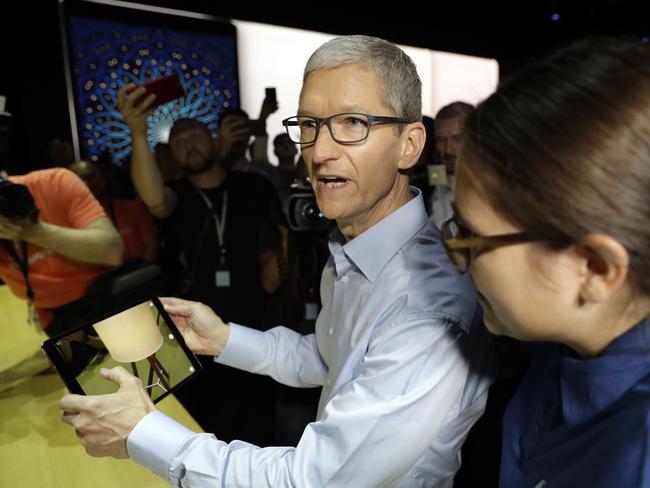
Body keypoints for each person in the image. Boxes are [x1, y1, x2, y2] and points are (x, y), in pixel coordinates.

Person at [60, 35, 493, 487]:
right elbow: (326, 360)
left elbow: (310, 480)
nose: (320, 151)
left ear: (409, 144)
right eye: (309, 125)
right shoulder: (354, 250)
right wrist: (223, 338)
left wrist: (141, 432)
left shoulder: (425, 311)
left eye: (351, 123)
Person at [440, 37, 650, 487]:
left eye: (473, 236)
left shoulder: (634, 459)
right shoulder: (562, 349)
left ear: (593, 268)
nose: (459, 259)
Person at [110, 90, 283, 444]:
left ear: (214, 141)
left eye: (195, 135)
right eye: (178, 142)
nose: (188, 144)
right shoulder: (175, 195)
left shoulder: (253, 186)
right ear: (171, 156)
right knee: (205, 428)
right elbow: (155, 199)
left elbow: (277, 243)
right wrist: (138, 134)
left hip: (252, 321)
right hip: (192, 334)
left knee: (259, 429)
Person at [0, 166, 123, 336]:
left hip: (105, 298)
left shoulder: (54, 182)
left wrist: (32, 231)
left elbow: (112, 252)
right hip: (51, 318)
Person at [69, 160, 157, 262]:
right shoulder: (69, 224)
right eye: (76, 180)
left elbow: (151, 245)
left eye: (89, 177)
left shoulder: (133, 208)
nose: (84, 183)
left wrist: (143, 274)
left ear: (102, 179)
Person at [430, 102, 474, 229]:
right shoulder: (432, 184)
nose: (448, 149)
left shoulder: (493, 187)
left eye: (457, 138)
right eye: (440, 140)